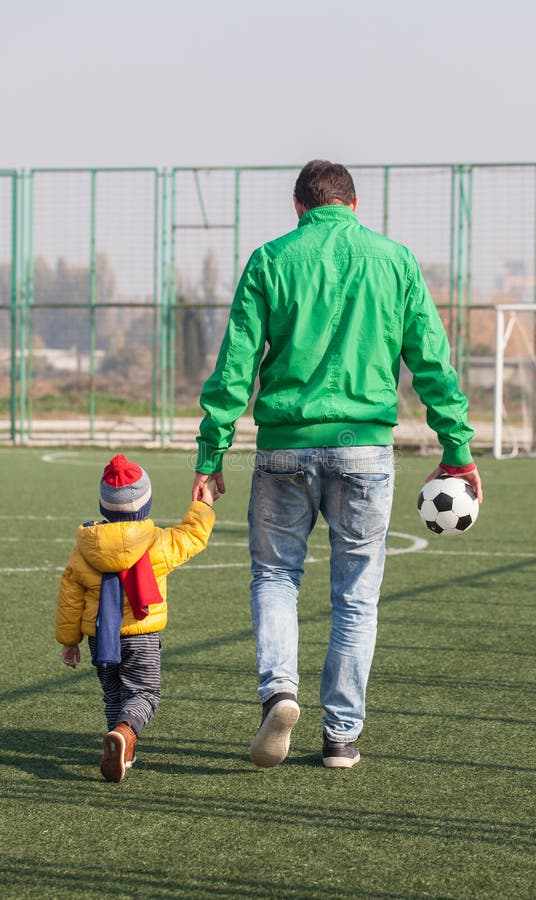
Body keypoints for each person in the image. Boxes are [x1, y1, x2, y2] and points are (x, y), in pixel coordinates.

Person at [191, 160, 482, 769]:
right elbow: (430, 359)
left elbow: (235, 363)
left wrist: (211, 451)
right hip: (364, 451)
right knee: (356, 596)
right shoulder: (395, 260)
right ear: (353, 204)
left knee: (275, 578)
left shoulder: (271, 259)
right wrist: (455, 449)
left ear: (300, 208)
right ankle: (341, 738)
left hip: (283, 449)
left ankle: (279, 692)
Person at [56, 453, 218, 782]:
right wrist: (205, 504)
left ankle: (122, 751)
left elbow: (70, 599)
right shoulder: (157, 542)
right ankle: (126, 733)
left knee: (114, 693)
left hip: (99, 637)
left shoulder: (84, 548)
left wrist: (69, 642)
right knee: (144, 694)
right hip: (141, 637)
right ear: (145, 504)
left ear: (104, 506)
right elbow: (192, 536)